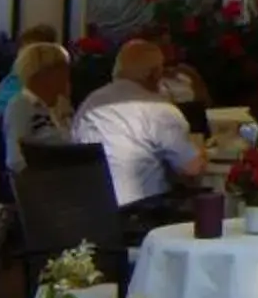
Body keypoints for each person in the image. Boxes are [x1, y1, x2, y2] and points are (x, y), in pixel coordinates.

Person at [72, 38, 209, 208]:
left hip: (90, 211)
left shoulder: (90, 104)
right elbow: (192, 170)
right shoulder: (160, 110)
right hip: (141, 212)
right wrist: (203, 152)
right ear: (155, 74)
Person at [3, 41, 77, 176]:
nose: (67, 75)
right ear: (41, 74)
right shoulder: (21, 106)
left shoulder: (62, 105)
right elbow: (16, 160)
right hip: (41, 180)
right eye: (60, 69)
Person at [0, 24, 60, 119]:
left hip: (5, 118)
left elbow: (27, 109)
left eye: (28, 48)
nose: (22, 52)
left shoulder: (44, 77)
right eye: (22, 47)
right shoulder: (17, 70)